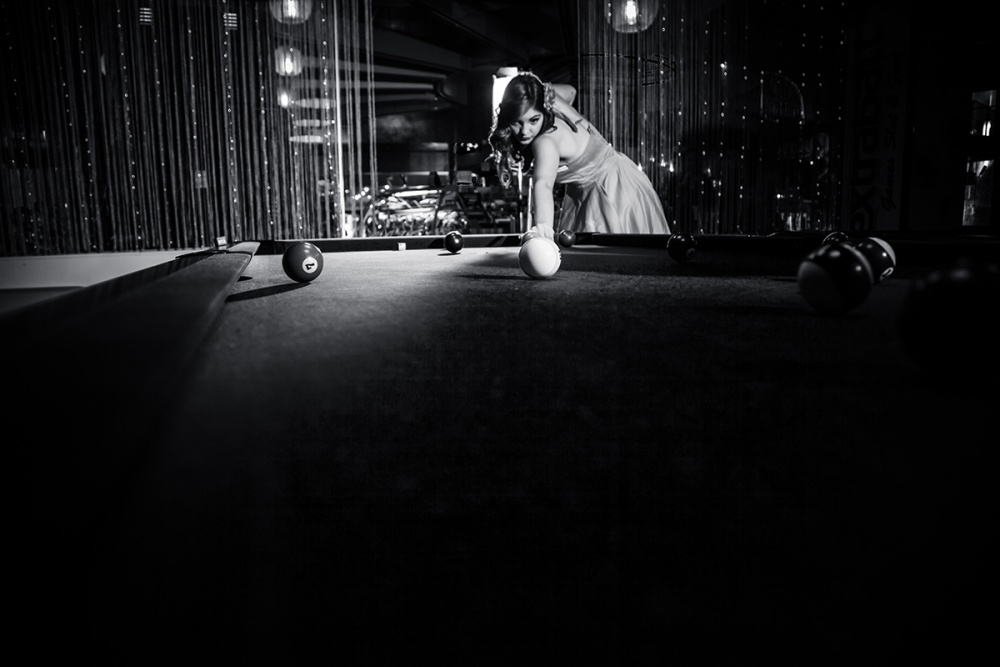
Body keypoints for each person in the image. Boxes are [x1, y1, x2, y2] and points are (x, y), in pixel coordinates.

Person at [488, 73, 670, 239]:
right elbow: (571, 92)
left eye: (533, 120)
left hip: (610, 194)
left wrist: (543, 230)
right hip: (625, 177)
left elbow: (543, 184)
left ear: (543, 111)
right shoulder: (552, 104)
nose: (525, 131)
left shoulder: (544, 141)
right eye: (517, 122)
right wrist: (538, 91)